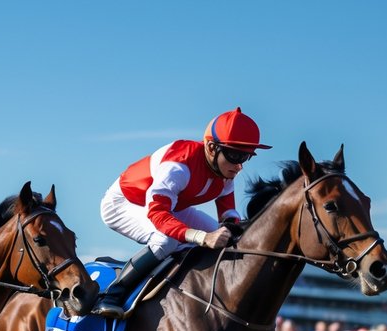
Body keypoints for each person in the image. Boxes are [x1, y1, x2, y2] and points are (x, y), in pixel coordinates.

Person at [94, 107, 271, 318]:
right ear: (212, 148)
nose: (239, 166)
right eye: (235, 155)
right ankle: (112, 295)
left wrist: (235, 229)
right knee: (166, 240)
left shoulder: (225, 170)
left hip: (173, 207)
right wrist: (202, 237)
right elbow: (158, 214)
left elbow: (227, 212)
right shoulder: (179, 166)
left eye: (245, 156)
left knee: (227, 240)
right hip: (124, 203)